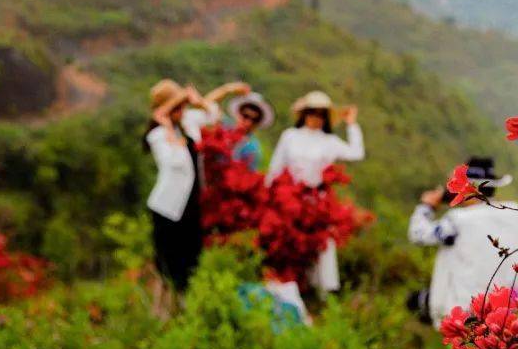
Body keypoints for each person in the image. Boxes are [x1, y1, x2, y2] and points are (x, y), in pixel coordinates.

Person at [144, 78, 248, 302]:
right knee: (169, 264)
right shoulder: (157, 136)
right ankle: (165, 309)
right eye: (176, 107)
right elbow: (174, 161)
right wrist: (167, 127)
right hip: (168, 208)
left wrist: (199, 100)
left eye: (182, 105)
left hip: (191, 204)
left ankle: (184, 306)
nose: (182, 110)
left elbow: (213, 113)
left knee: (191, 258)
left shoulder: (189, 123)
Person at [407, 157, 518, 327]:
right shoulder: (517, 213)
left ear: (467, 188)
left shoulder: (458, 220)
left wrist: (426, 206)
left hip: (467, 315)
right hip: (512, 313)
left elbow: (418, 234)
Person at [266, 90, 365, 294]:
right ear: (304, 113)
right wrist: (268, 196)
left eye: (321, 114)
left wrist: (352, 124)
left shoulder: (329, 141)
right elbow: (276, 167)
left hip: (317, 202)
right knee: (288, 247)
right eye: (312, 112)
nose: (316, 118)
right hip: (290, 199)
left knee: (320, 249)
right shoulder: (290, 136)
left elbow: (356, 153)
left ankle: (317, 294)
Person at [225, 92, 274, 170]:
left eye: (254, 120)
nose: (248, 123)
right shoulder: (223, 128)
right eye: (246, 116)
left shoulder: (252, 148)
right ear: (238, 113)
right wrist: (227, 89)